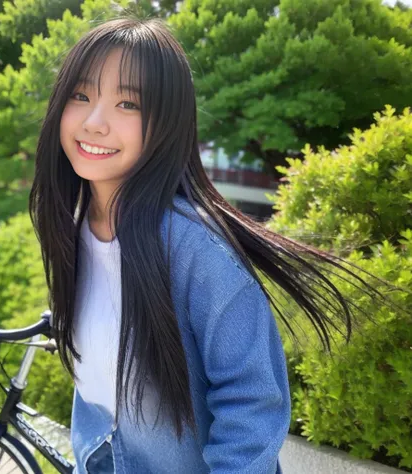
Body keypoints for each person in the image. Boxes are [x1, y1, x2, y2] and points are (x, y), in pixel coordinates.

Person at [29, 17, 394, 474]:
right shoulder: (73, 226)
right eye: (81, 96)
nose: (95, 122)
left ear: (167, 124)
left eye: (127, 103)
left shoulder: (195, 248)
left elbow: (253, 404)